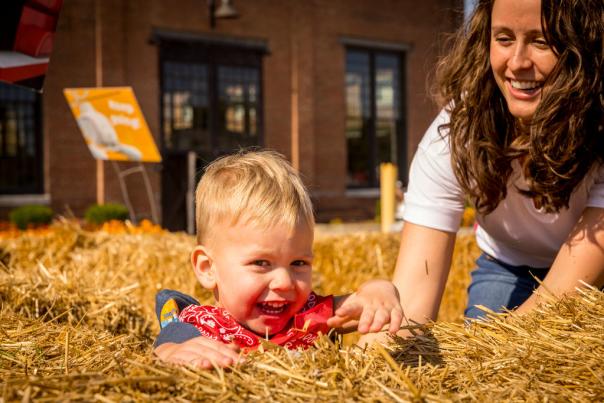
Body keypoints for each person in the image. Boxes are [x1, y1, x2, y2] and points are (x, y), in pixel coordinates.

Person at [366, 0, 603, 336]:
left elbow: (558, 297)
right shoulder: (455, 133)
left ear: (585, 48)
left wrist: (490, 350)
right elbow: (413, 299)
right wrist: (378, 363)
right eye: (503, 38)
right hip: (507, 264)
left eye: (541, 41)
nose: (517, 63)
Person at [154, 150, 403, 368]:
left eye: (298, 263)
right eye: (261, 263)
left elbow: (356, 306)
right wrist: (170, 352)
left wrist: (379, 290)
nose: (284, 282)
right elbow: (171, 342)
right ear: (208, 268)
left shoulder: (305, 317)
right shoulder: (203, 328)